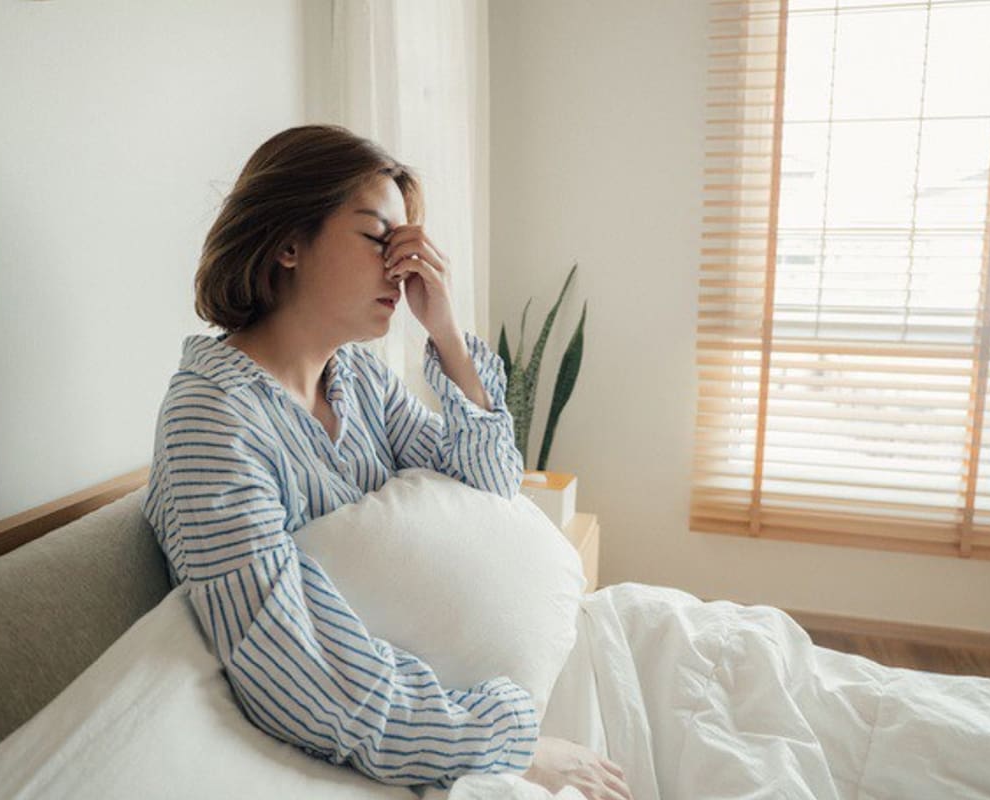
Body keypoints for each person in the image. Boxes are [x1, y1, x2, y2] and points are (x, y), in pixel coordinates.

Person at [141, 124, 632, 800]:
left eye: (409, 245)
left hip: (504, 679)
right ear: (288, 242)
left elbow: (490, 489)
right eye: (379, 239)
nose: (403, 269)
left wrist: (448, 335)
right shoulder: (213, 424)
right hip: (458, 721)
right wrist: (513, 745)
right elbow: (298, 671)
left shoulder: (358, 380)